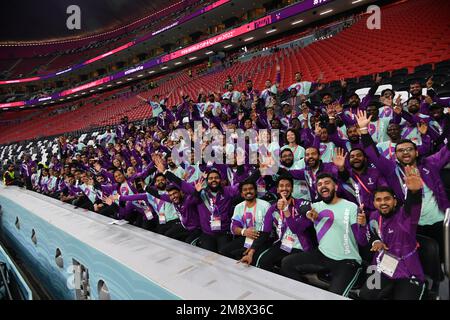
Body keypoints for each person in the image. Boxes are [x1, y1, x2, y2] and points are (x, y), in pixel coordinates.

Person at [357, 109, 449, 259]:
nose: (405, 152)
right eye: (401, 150)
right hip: (411, 224)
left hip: (439, 221)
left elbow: (447, 150)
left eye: (409, 149)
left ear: (417, 152)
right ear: (396, 154)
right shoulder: (391, 169)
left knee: (443, 258)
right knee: (419, 258)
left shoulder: (430, 163)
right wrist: (363, 130)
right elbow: (373, 154)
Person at [280, 173, 369, 297]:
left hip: (347, 260)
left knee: (333, 296)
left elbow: (362, 242)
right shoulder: (315, 207)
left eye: (327, 183)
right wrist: (286, 211)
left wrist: (363, 225)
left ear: (336, 187)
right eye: (320, 184)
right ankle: (305, 295)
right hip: (322, 255)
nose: (323, 186)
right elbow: (296, 229)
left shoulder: (351, 207)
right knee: (286, 263)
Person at [359, 166, 426, 300]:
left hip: (407, 270)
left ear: (395, 201)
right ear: (374, 203)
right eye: (378, 200)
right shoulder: (372, 216)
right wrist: (366, 231)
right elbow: (371, 234)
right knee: (365, 296)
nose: (383, 203)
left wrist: (414, 193)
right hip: (382, 266)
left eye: (387, 199)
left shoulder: (405, 216)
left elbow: (412, 208)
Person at [239, 176, 313, 271]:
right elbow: (265, 232)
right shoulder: (273, 209)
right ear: (277, 190)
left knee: (285, 263)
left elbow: (296, 228)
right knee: (263, 261)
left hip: (301, 247)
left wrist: (286, 210)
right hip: (284, 244)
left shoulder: (301, 204)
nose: (284, 188)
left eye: (288, 186)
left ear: (292, 188)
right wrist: (251, 252)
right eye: (281, 186)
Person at [219, 180, 271, 259]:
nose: (248, 191)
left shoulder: (265, 206)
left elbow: (267, 231)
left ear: (255, 191)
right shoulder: (238, 207)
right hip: (246, 238)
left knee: (250, 257)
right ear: (241, 194)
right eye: (245, 190)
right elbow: (233, 227)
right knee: (224, 251)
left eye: (251, 189)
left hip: (262, 239)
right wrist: (244, 231)